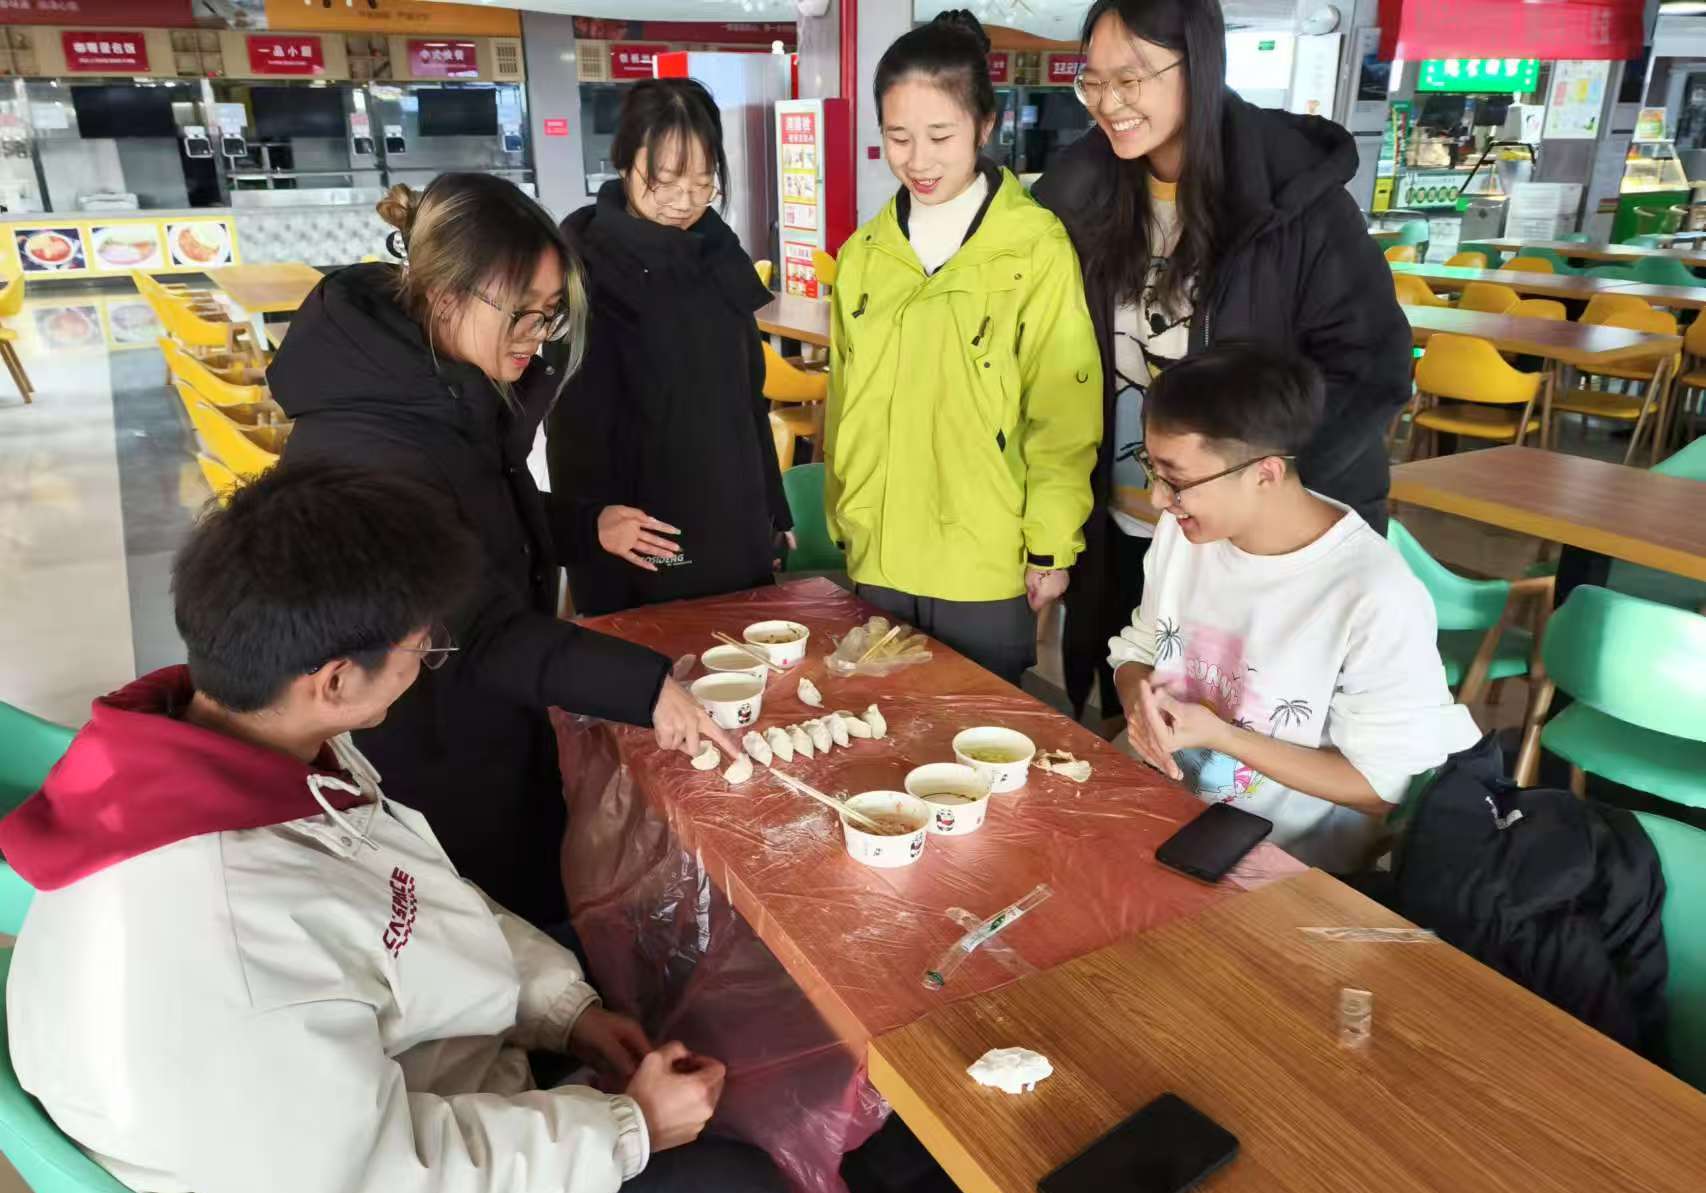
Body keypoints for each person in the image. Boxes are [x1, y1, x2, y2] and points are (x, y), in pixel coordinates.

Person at [1, 463, 793, 1193]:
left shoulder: (242, 749)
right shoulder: (228, 933)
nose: (428, 661)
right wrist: (628, 1129)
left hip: (361, 1090)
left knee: (641, 977)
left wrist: (567, 1011)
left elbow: (407, 901)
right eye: (424, 647)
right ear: (335, 679)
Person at [269, 174, 738, 929]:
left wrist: (584, 526)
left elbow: (472, 520)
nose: (536, 336)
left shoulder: (439, 387)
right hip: (430, 742)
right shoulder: (374, 443)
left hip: (484, 713)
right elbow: (475, 633)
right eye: (521, 313)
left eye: (549, 314)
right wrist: (647, 687)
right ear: (445, 294)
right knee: (489, 923)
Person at [1032, 0, 1412, 726]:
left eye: (1132, 78)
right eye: (1093, 81)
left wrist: (1257, 494)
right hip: (1127, 524)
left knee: (1253, 745)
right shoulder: (1079, 198)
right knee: (1135, 716)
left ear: (1199, 65)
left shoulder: (1292, 199)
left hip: (1260, 548)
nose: (1109, 103)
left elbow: (1372, 365)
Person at [1109, 345, 1479, 873]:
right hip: (1168, 814)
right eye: (1152, 468)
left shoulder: (1372, 593)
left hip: (1284, 862)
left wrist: (1222, 737)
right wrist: (1141, 708)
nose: (1157, 500)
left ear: (1265, 473)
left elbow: (1384, 788)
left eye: (1177, 480)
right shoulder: (1184, 533)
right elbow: (1139, 651)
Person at [824, 10, 1101, 686]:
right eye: (898, 137)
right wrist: (844, 519)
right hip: (881, 551)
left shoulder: (1033, 247)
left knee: (976, 734)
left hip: (983, 559)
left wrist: (1051, 544)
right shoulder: (864, 255)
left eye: (940, 136)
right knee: (881, 733)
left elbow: (1062, 412)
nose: (918, 160)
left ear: (984, 126)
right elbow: (842, 402)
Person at [549, 79, 793, 617]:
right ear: (623, 162)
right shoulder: (586, 266)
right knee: (661, 652)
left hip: (732, 507)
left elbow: (746, 398)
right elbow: (574, 435)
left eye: (703, 183)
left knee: (742, 646)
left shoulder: (717, 253)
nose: (684, 203)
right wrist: (589, 535)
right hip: (646, 522)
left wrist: (774, 510)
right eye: (664, 183)